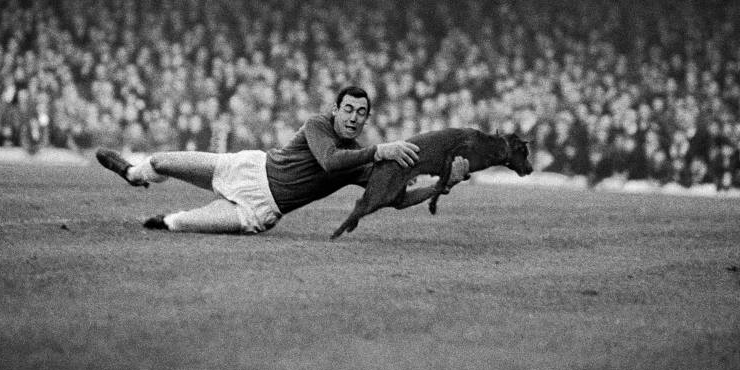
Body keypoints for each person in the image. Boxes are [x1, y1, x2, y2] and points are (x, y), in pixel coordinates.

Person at [96, 86, 470, 234]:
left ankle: (169, 215)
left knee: (171, 224)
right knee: (159, 162)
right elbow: (328, 161)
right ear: (335, 109)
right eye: (349, 109)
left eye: (361, 113)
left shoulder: (362, 161)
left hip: (260, 208)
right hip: (245, 168)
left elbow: (397, 198)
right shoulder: (318, 125)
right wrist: (379, 150)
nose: (354, 117)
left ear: (366, 119)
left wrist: (443, 185)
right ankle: (133, 173)